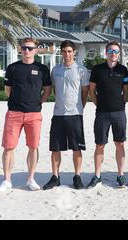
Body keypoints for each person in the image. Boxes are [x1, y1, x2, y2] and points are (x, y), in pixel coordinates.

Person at [0, 38, 52, 193]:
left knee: (33, 146)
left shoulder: (42, 69)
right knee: (8, 147)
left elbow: (48, 88)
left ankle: (31, 178)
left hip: (34, 113)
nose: (26, 51)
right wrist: (16, 102)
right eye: (24, 48)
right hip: (14, 112)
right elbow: (8, 90)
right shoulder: (13, 68)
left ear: (35, 50)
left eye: (30, 48)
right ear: (20, 50)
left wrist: (40, 102)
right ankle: (7, 180)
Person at [43, 40, 89, 190]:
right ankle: (55, 177)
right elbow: (55, 91)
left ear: (74, 52)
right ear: (61, 52)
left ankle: (77, 176)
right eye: (64, 51)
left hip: (75, 114)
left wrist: (79, 108)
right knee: (55, 148)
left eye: (69, 51)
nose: (67, 54)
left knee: (77, 148)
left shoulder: (81, 70)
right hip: (58, 115)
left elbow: (84, 93)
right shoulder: (55, 70)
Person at [87, 41, 128, 189]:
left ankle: (120, 175)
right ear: (106, 53)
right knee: (100, 144)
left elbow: (126, 90)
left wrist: (122, 103)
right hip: (102, 113)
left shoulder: (123, 70)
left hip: (119, 112)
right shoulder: (97, 69)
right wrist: (97, 104)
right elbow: (92, 90)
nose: (113, 54)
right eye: (111, 51)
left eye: (116, 52)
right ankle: (97, 175)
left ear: (119, 54)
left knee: (120, 144)